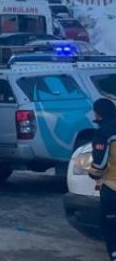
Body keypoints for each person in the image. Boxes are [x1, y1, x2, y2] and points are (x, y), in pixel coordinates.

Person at [87, 97, 116, 259]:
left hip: (113, 187)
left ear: (98, 114)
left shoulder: (104, 132)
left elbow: (99, 165)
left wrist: (92, 173)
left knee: (110, 224)